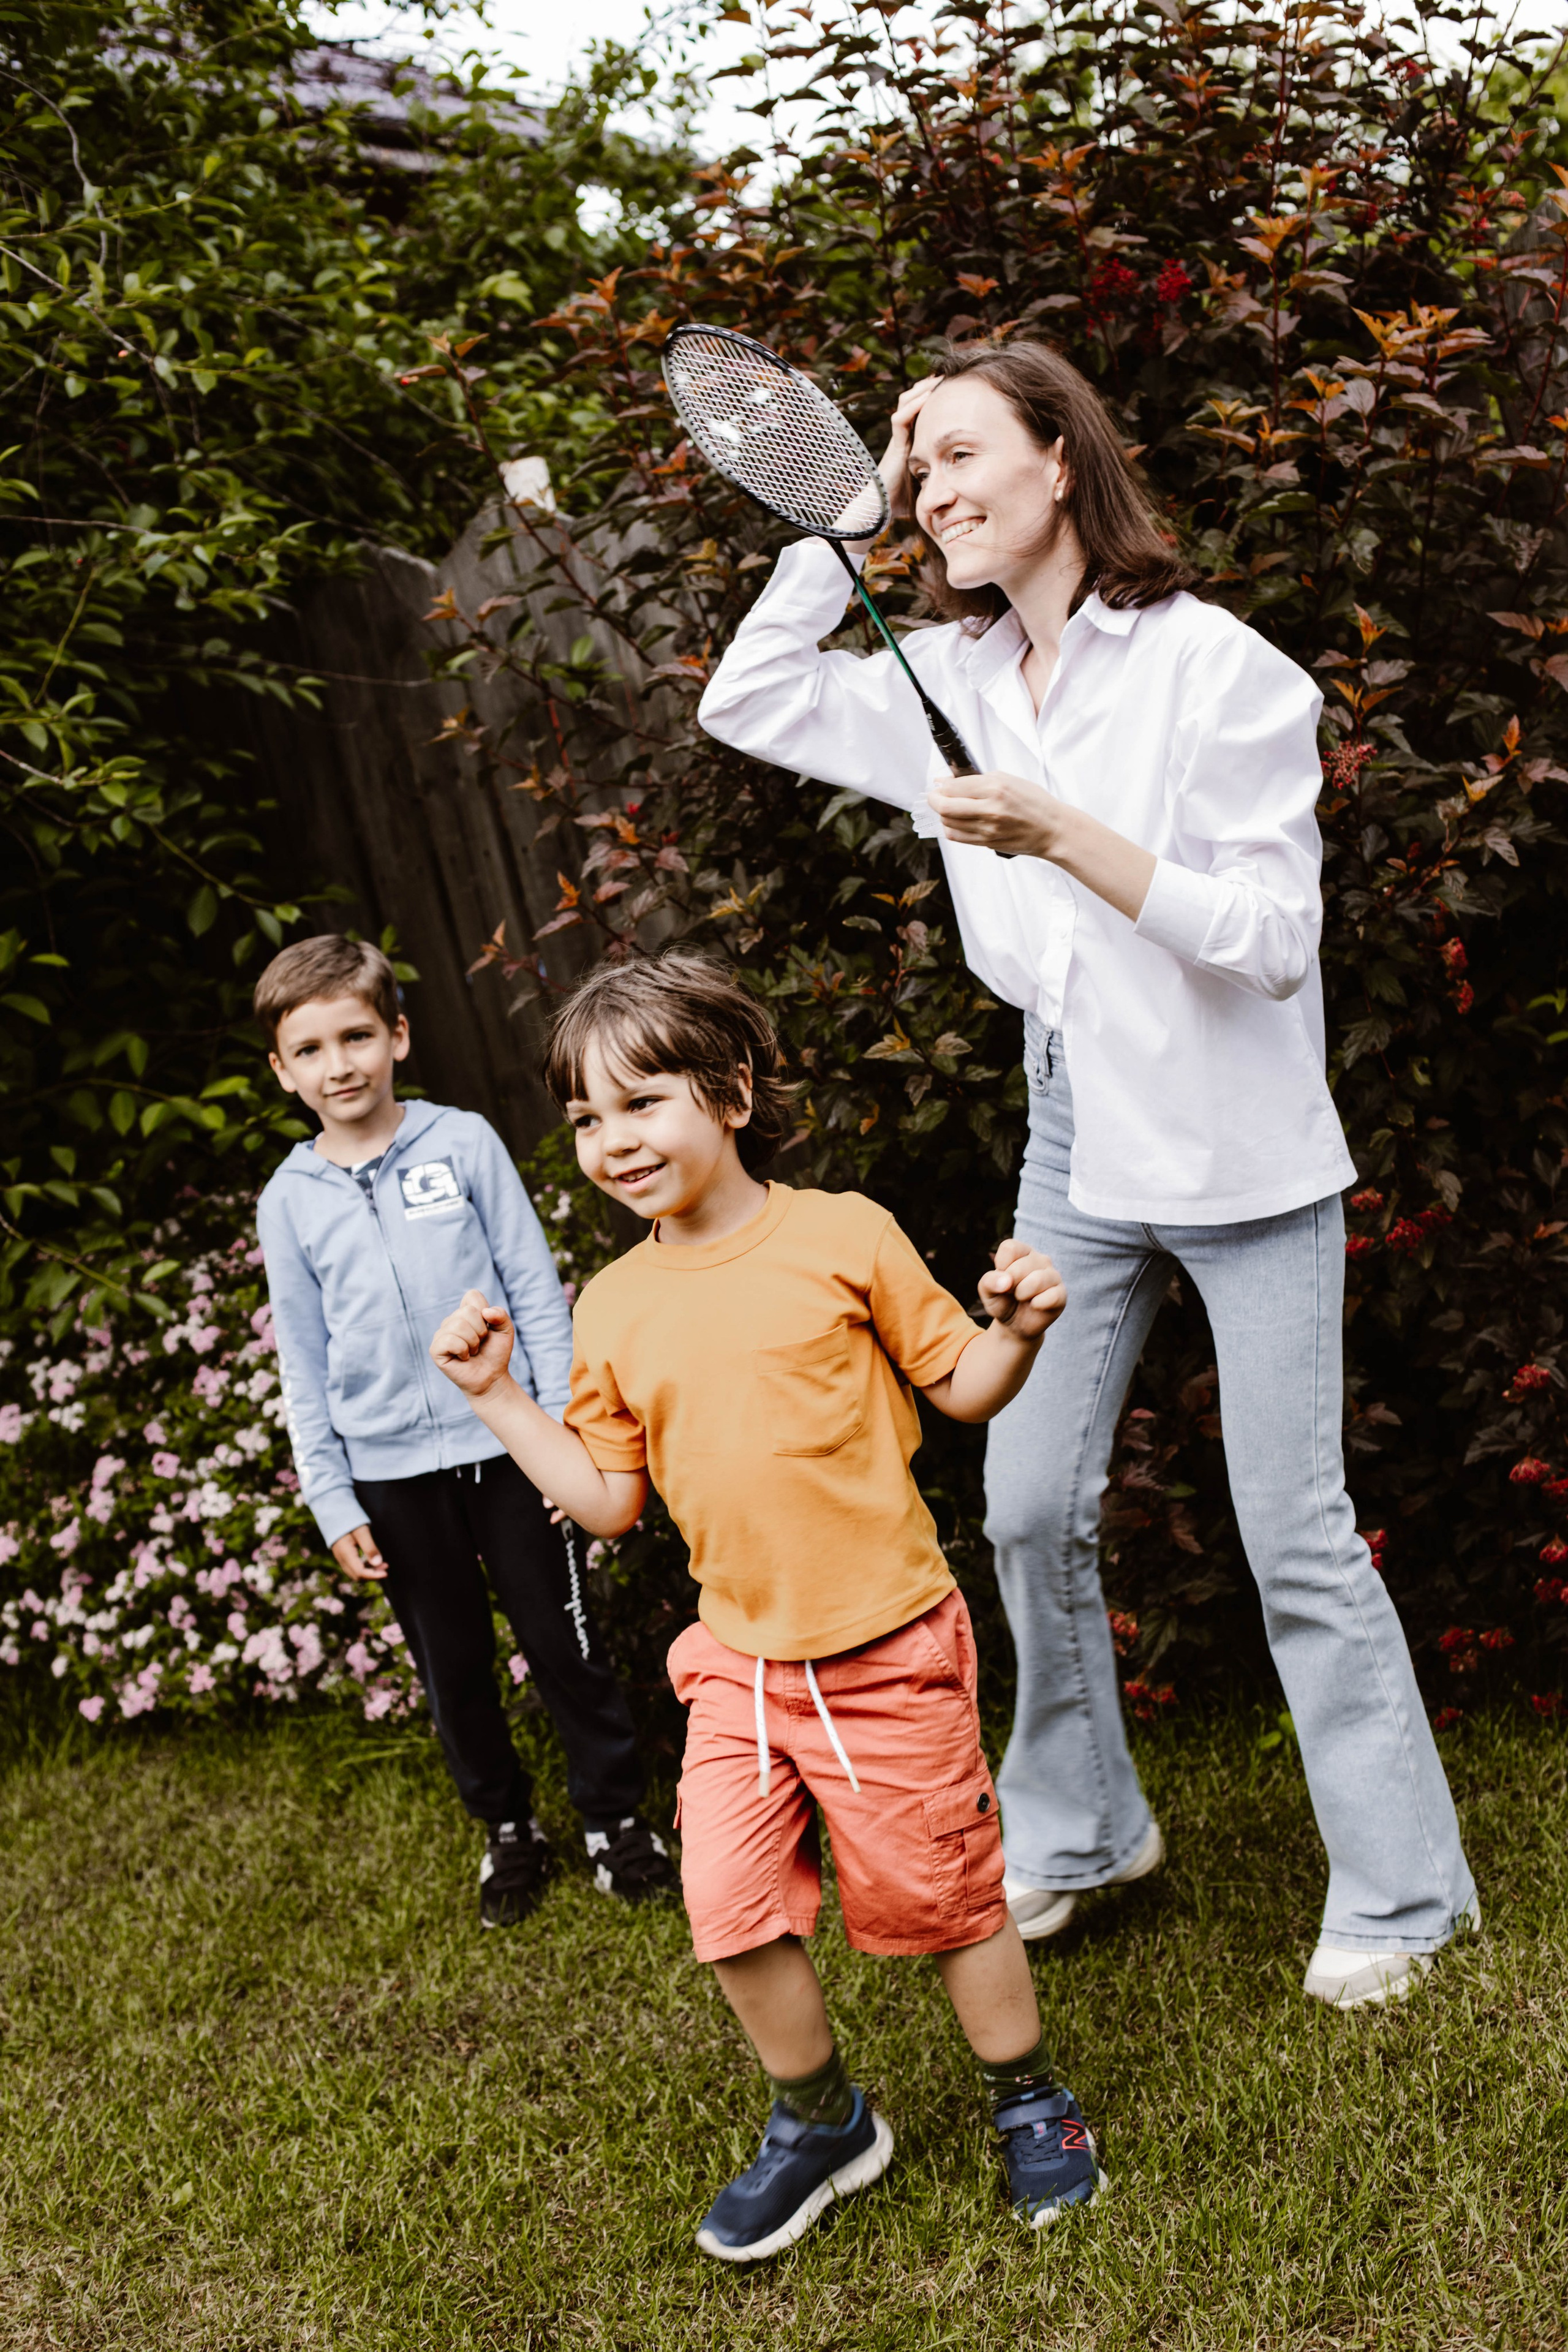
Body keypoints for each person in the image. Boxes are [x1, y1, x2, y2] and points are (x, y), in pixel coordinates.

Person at [696, 339, 1479, 2012]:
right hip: (1077, 1135)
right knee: (1028, 1498)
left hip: (1242, 1149)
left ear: (1065, 462)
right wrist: (838, 523)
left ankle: (1406, 1896)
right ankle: (1082, 1827)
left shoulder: (1223, 673)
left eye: (963, 455)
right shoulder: (957, 680)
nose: (939, 491)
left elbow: (1271, 943)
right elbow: (748, 699)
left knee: (1297, 1536)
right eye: (921, 472)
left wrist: (1062, 835)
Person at [428, 951, 1105, 2258]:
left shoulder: (842, 1235)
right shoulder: (612, 1305)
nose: (613, 1141)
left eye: (642, 1103)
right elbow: (611, 1500)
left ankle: (1027, 2100)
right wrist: (497, 1400)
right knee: (728, 1908)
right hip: (734, 1663)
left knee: (949, 1896)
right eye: (585, 1120)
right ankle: (821, 2120)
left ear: (732, 1092)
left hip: (886, 1645)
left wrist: (1012, 1331)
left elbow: (958, 1383)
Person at [252, 933, 676, 1924]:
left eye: (356, 1035)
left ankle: (615, 1820)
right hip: (389, 1474)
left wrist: (567, 1433)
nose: (339, 1064)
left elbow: (533, 1288)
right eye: (309, 1050)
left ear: (398, 1035)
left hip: (513, 1449)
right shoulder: (289, 1200)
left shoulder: (463, 1142)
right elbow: (301, 1361)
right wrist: (329, 1494)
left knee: (561, 1640)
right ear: (282, 1072)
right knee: (453, 1663)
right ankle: (507, 1831)